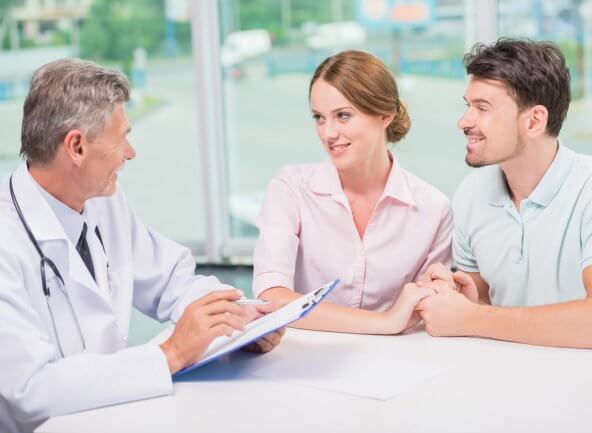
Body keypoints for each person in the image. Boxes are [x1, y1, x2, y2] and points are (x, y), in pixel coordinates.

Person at [0, 58, 283, 433]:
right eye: (122, 138)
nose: (130, 152)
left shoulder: (103, 200)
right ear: (77, 147)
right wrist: (170, 354)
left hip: (117, 413)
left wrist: (238, 319)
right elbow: (31, 390)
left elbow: (171, 280)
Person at [416, 39, 592, 349]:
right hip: (505, 375)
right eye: (467, 106)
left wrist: (470, 318)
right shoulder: (472, 193)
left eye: (482, 108)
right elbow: (482, 303)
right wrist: (457, 297)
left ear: (535, 121)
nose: (464, 121)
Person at [253, 50, 453, 334]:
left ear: (385, 114)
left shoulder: (433, 208)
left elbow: (425, 308)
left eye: (343, 116)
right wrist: (385, 322)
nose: (328, 133)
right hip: (302, 360)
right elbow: (271, 297)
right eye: (319, 118)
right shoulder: (290, 189)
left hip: (395, 362)